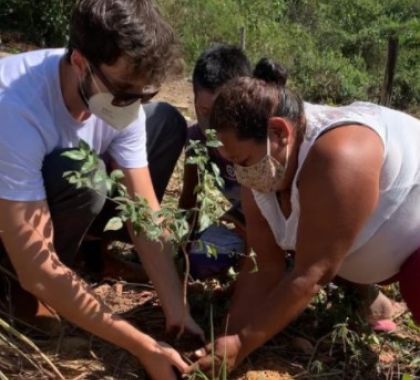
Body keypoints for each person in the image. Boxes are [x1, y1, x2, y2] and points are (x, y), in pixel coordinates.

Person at [0, 1, 203, 379]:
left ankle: (91, 253)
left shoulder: (117, 94)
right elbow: (36, 266)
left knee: (165, 124)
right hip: (10, 216)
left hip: (51, 197)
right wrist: (141, 346)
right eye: (125, 92)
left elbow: (145, 214)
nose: (133, 106)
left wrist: (177, 312)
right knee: (83, 173)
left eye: (144, 94)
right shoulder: (15, 110)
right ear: (80, 61)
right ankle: (14, 289)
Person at [192, 58, 420, 373]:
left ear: (279, 132)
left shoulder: (339, 156)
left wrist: (243, 344)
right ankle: (368, 296)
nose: (240, 173)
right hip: (366, 245)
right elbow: (265, 263)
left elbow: (313, 273)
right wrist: (225, 340)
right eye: (232, 163)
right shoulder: (260, 165)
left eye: (242, 159)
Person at [179, 44, 251, 279]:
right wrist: (181, 248)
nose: (213, 126)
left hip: (279, 226)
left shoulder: (258, 139)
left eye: (224, 114)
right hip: (242, 222)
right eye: (205, 111)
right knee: (200, 260)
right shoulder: (197, 141)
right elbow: (190, 198)